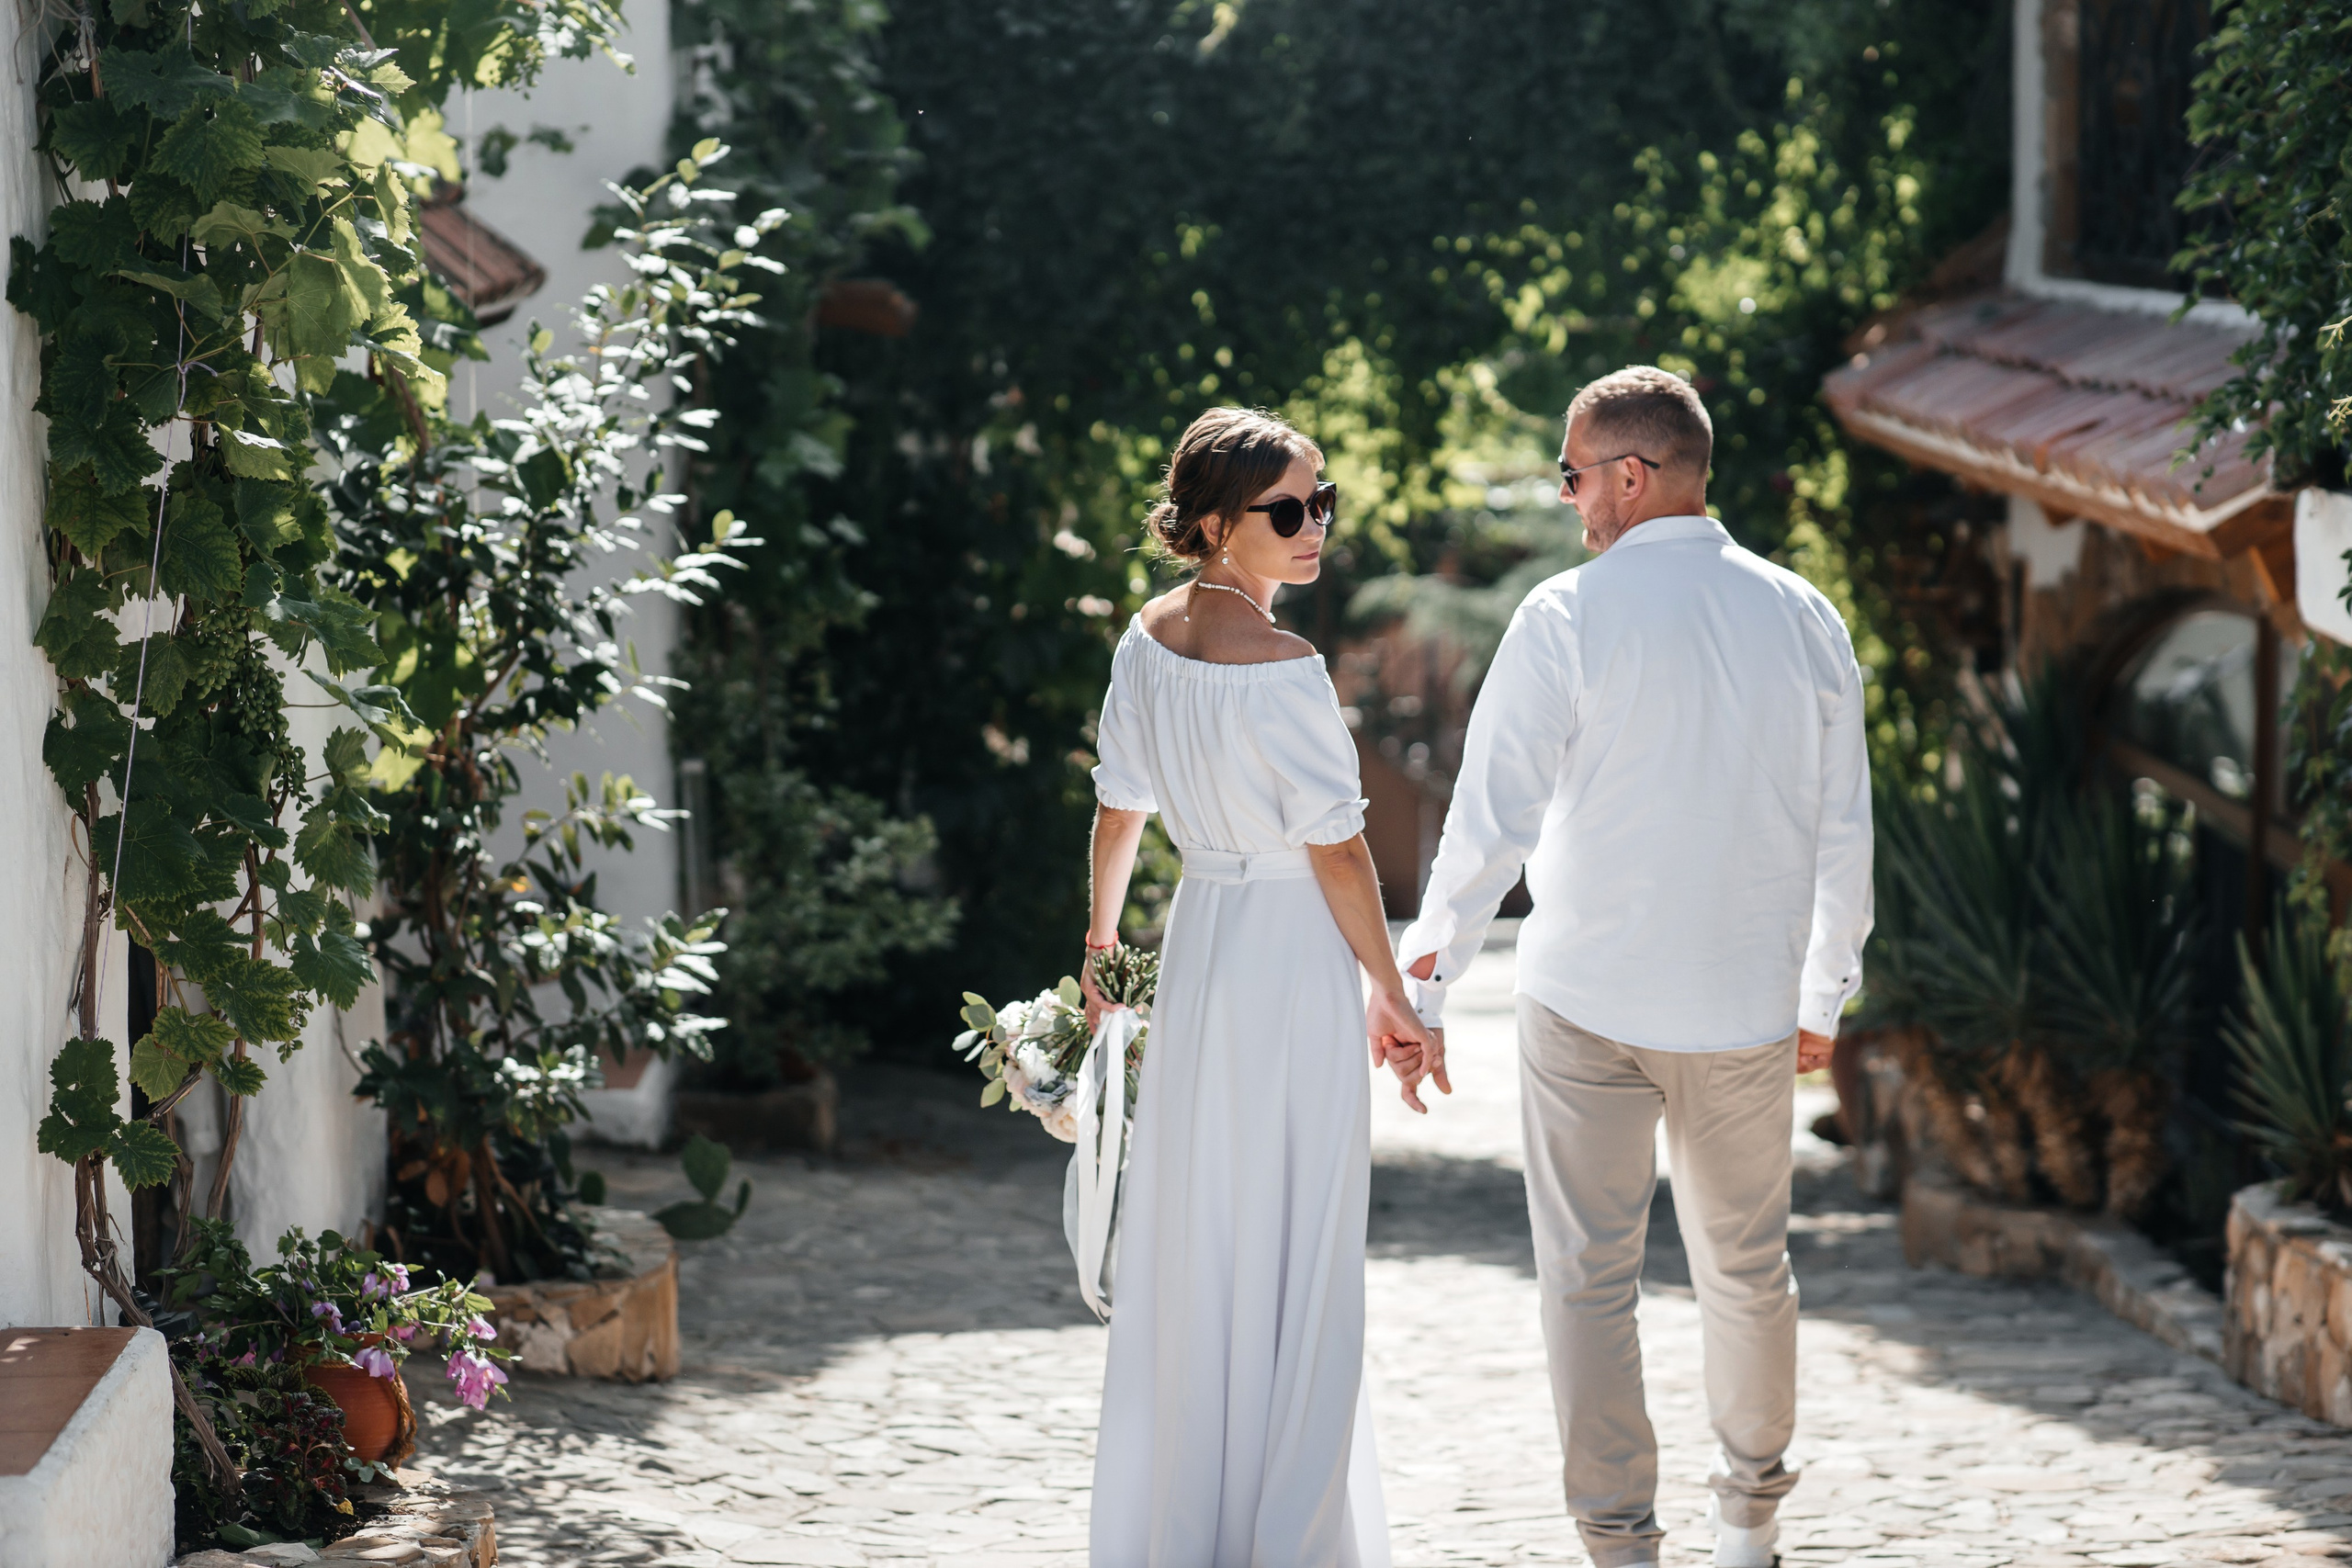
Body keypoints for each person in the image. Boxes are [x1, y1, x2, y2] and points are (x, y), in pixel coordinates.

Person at [1394, 367, 1872, 1568]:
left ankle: (1620, 1544)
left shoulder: (1566, 615)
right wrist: (1824, 993)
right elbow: (1845, 826)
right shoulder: (1806, 615)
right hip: (1741, 1004)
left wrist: (1427, 985)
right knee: (1748, 1269)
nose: (1569, 500)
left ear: (1631, 474)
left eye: (1573, 474)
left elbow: (1489, 819)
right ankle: (1750, 1519)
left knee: (1587, 1278)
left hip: (1585, 1003)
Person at [1083, 406, 1430, 1566]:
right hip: (1285, 956)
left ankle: (1189, 1521)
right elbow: (1336, 850)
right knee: (1297, 1235)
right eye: (1288, 509)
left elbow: (1119, 809)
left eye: (1321, 501)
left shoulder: (1144, 638)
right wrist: (1393, 992)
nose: (1313, 524)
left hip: (1206, 944)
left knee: (1204, 1229)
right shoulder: (1284, 668)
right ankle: (1288, 1533)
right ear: (1218, 525)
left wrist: (1099, 954)